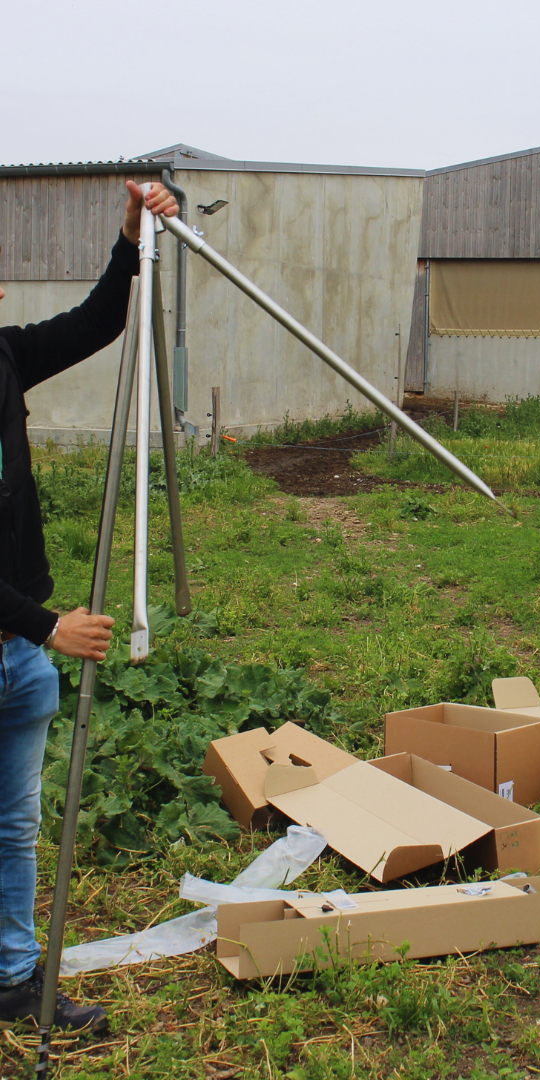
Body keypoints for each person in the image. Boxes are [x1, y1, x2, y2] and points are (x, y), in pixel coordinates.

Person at [0, 180, 178, 1032]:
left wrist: (130, 234)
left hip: (19, 655)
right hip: (33, 633)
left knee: (10, 829)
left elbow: (97, 323)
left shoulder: (2, 356)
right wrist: (50, 625)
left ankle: (11, 978)